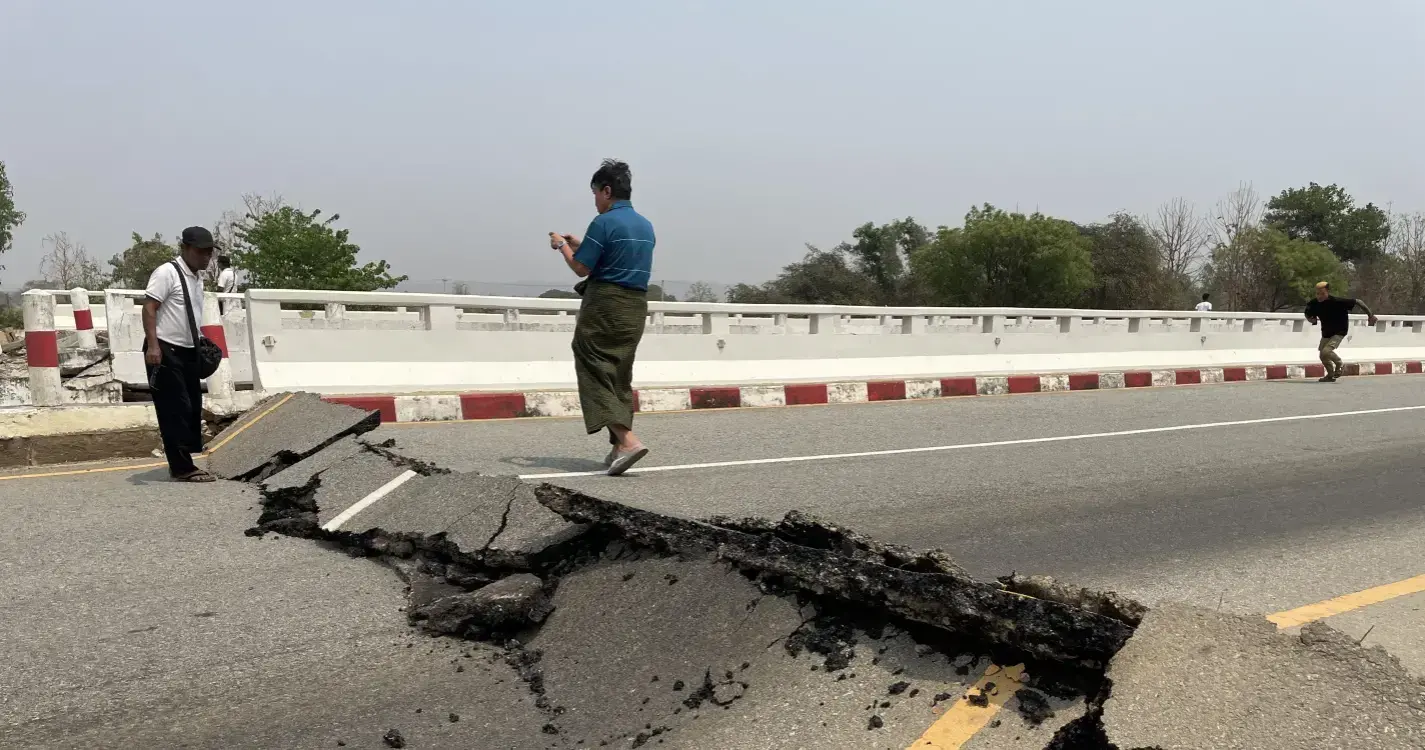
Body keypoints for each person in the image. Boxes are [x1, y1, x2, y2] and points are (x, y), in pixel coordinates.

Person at [549, 160, 655, 476]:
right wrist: (581, 247)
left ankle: (627, 441)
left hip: (605, 305)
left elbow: (583, 268)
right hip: (634, 307)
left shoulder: (604, 222)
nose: (595, 200)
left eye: (596, 193)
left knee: (592, 366)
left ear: (607, 191)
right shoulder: (644, 225)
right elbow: (613, 261)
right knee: (618, 374)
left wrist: (562, 247)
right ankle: (617, 449)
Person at [143, 227, 216, 482]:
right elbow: (149, 307)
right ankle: (182, 468)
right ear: (185, 248)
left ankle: (186, 459)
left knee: (192, 407)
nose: (205, 257)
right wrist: (153, 346)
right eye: (200, 252)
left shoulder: (197, 278)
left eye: (209, 252)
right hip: (164, 349)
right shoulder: (167, 273)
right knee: (175, 408)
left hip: (187, 351)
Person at [1304, 281, 1377, 383]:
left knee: (1326, 351)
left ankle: (1339, 363)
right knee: (1322, 355)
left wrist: (1370, 315)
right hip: (1326, 332)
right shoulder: (1313, 304)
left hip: (1340, 330)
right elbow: (1307, 313)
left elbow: (1358, 302)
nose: (1320, 296)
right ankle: (1330, 375)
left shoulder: (1337, 301)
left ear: (1327, 292)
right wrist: (1311, 319)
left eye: (1322, 294)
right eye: (1317, 293)